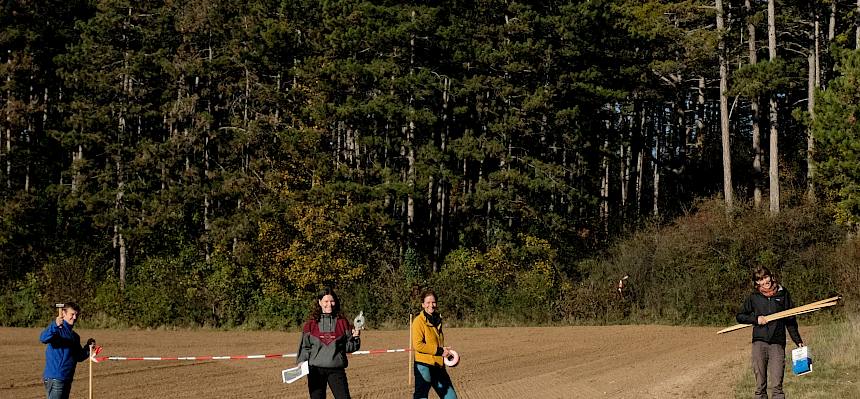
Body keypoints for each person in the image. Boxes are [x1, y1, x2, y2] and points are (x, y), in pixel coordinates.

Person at [736, 266, 804, 399]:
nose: (764, 281)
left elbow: (790, 319)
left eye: (766, 277)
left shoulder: (783, 294)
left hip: (777, 343)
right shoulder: (754, 297)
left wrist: (798, 341)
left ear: (771, 277)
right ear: (757, 283)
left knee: (777, 386)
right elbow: (740, 316)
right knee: (760, 386)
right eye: (760, 279)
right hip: (759, 343)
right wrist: (756, 319)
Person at [297, 287, 361, 399]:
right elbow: (305, 347)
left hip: (336, 370)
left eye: (332, 301)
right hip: (315, 371)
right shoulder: (310, 324)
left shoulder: (342, 322)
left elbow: (348, 347)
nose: (329, 304)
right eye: (326, 301)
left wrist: (355, 337)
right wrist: (301, 362)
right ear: (320, 302)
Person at [39, 302, 95, 399]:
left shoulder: (74, 336)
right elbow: (43, 338)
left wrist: (88, 348)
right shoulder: (57, 330)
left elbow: (78, 356)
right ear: (63, 314)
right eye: (72, 314)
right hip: (56, 378)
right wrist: (55, 325)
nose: (74, 317)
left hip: (67, 377)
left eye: (76, 315)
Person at [412, 290, 458, 399]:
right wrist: (440, 351)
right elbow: (418, 345)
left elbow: (436, 342)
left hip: (438, 365)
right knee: (421, 396)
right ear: (423, 305)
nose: (431, 305)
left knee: (451, 397)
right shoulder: (418, 321)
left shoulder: (438, 319)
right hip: (423, 365)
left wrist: (445, 351)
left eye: (433, 302)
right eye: (428, 302)